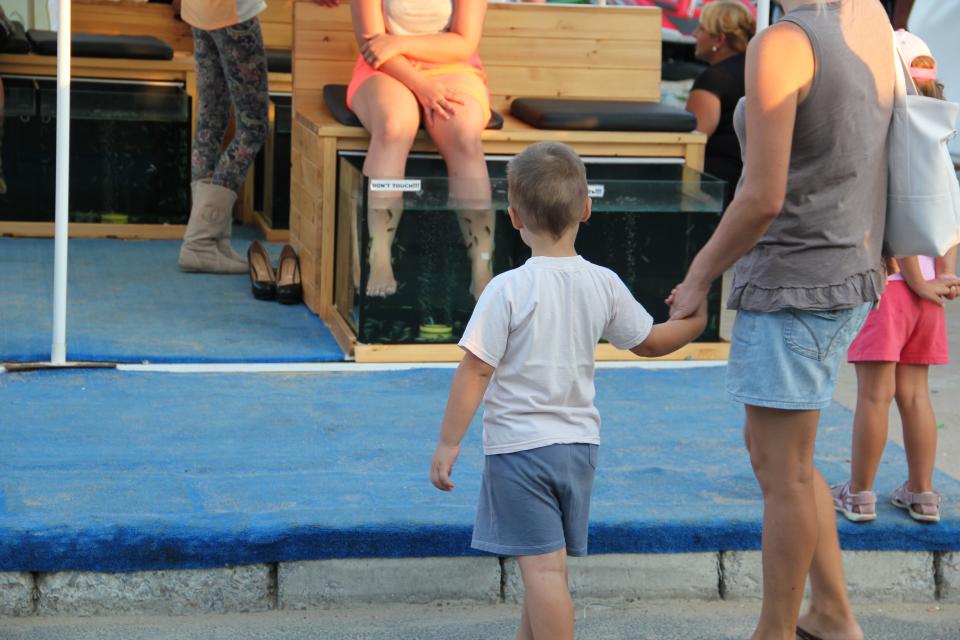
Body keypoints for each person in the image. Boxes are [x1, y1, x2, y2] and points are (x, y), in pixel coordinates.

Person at [667, 1, 895, 638]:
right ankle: (830, 612)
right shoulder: (867, 17)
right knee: (786, 459)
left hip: (799, 276)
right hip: (848, 267)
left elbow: (762, 196)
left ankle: (775, 631)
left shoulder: (784, 42)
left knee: (783, 470)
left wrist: (700, 274)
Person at [429, 142, 707, 640]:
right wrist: (696, 319)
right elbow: (651, 342)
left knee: (543, 574)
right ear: (586, 208)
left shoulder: (507, 289)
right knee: (546, 566)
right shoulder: (603, 283)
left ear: (513, 216)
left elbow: (474, 372)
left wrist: (449, 443)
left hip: (520, 452)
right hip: (578, 449)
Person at [831, 31, 960, 526]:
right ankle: (923, 492)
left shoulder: (890, 137)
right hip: (929, 284)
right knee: (915, 393)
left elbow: (896, 215)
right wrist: (943, 273)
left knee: (874, 395)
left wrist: (915, 277)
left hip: (891, 288)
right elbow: (945, 212)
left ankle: (860, 493)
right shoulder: (935, 137)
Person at [349, 0, 495, 299]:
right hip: (385, 69)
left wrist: (399, 42)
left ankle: (482, 263)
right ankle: (377, 253)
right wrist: (421, 86)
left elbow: (463, 43)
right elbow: (374, 47)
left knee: (465, 135)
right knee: (394, 126)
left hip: (454, 69)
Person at [175, 0, 269, 274]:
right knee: (253, 127)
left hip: (199, 10)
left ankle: (212, 240)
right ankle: (201, 241)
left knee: (211, 121)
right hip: (231, 12)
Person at [685, 0, 755, 202]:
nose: (694, 34)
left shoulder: (714, 77)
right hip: (747, 177)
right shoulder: (756, 68)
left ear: (719, 39)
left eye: (701, 28)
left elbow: (693, 141)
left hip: (714, 186)